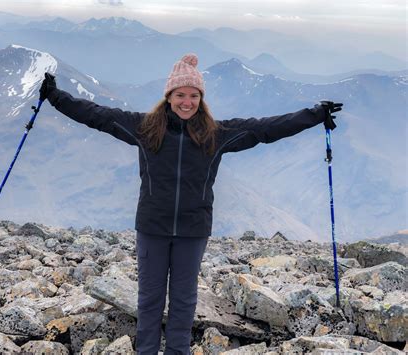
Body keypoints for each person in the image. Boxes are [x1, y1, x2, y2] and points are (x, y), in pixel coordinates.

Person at [39, 53, 342, 354]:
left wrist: (313, 115)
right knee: (149, 301)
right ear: (169, 97)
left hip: (192, 231)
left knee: (184, 302)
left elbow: (265, 129)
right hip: (152, 228)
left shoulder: (216, 134)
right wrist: (54, 96)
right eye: (180, 95)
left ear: (201, 98)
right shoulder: (145, 128)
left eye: (193, 95)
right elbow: (96, 115)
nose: (187, 102)